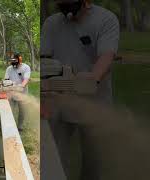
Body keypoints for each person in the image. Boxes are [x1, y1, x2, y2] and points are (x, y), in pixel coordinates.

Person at [41, 0, 120, 179]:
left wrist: (94, 77)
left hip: (95, 103)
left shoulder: (106, 20)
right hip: (58, 104)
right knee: (54, 161)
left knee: (93, 164)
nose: (66, 10)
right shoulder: (52, 24)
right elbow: (44, 59)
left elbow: (107, 55)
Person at [4, 52, 31, 131]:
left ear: (19, 59)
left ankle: (20, 126)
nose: (13, 62)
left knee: (22, 110)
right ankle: (9, 125)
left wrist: (21, 86)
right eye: (12, 60)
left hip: (22, 92)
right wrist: (6, 85)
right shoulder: (9, 69)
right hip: (11, 92)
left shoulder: (26, 67)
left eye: (14, 60)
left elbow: (26, 79)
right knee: (9, 109)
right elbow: (6, 79)